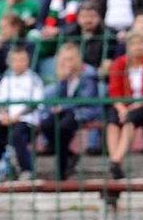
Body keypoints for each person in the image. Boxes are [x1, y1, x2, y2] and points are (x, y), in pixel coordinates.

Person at [40, 43, 101, 180]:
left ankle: (61, 171)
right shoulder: (64, 77)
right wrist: (63, 80)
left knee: (62, 128)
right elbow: (59, 97)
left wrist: (64, 106)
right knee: (46, 124)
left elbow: (86, 99)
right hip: (67, 112)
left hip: (83, 111)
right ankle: (69, 155)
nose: (68, 63)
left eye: (71, 59)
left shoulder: (88, 75)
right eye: (65, 59)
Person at [105, 32, 143, 180]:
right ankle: (115, 162)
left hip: (142, 105)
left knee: (130, 120)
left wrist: (128, 109)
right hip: (121, 104)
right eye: (134, 44)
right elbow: (114, 91)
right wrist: (122, 108)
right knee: (112, 123)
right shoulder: (119, 64)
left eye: (141, 44)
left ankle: (115, 161)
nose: (137, 48)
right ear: (128, 47)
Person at [0, 46, 43, 182]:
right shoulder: (6, 79)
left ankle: (26, 168)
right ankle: (4, 164)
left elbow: (35, 103)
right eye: (16, 60)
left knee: (17, 135)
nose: (19, 63)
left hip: (26, 119)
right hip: (6, 118)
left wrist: (17, 117)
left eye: (22, 60)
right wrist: (4, 114)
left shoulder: (34, 79)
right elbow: (1, 101)